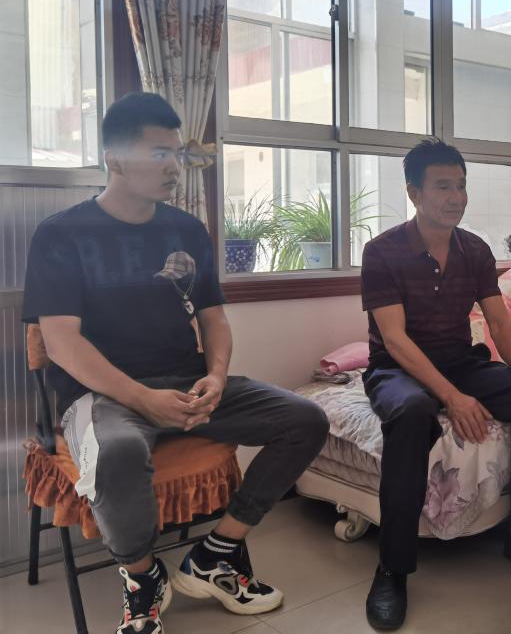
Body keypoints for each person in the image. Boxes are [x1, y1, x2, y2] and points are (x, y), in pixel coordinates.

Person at [21, 92, 330, 634]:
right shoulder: (61, 233)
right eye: (159, 154)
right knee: (118, 451)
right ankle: (143, 578)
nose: (174, 167)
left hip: (187, 382)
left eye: (177, 154)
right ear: (116, 159)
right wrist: (143, 399)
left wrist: (215, 377)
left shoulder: (185, 230)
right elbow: (62, 342)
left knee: (305, 419)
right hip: (102, 395)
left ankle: (218, 552)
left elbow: (214, 319)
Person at [360, 139, 511, 630]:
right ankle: (392, 569)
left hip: (460, 360)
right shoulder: (382, 252)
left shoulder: (474, 249)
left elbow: (497, 317)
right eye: (442, 187)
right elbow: (395, 339)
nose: (456, 197)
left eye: (461, 186)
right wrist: (451, 398)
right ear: (414, 192)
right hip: (396, 367)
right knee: (411, 413)